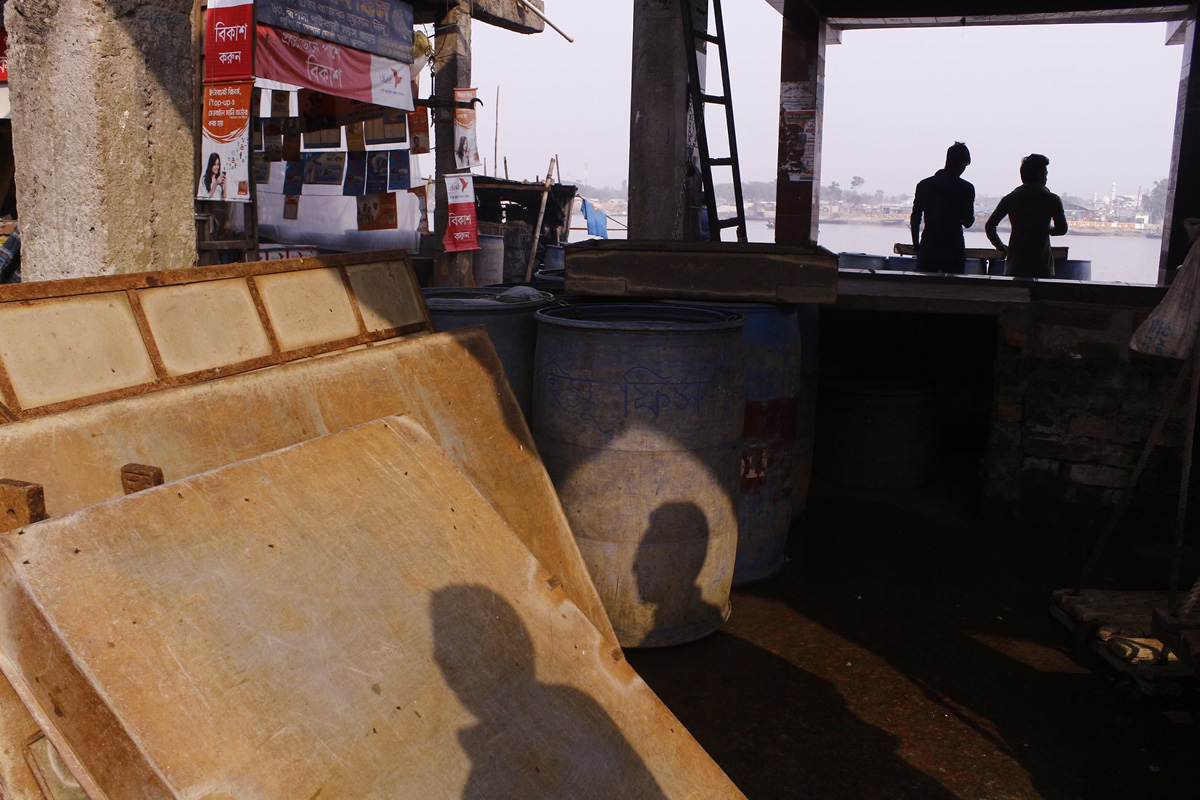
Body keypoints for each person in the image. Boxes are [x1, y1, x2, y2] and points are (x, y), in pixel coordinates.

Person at [986, 153, 1068, 278]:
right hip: (1042, 265)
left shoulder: (1010, 199)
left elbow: (990, 226)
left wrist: (1001, 247)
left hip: (1015, 264)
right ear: (1040, 176)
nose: (1047, 179)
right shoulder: (1052, 199)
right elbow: (1062, 229)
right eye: (1046, 175)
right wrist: (1047, 229)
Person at [910, 141, 976, 273]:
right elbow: (968, 222)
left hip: (928, 247)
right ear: (963, 163)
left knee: (922, 288)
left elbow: (916, 217)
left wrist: (916, 245)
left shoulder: (924, 185)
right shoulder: (966, 188)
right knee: (953, 289)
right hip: (953, 249)